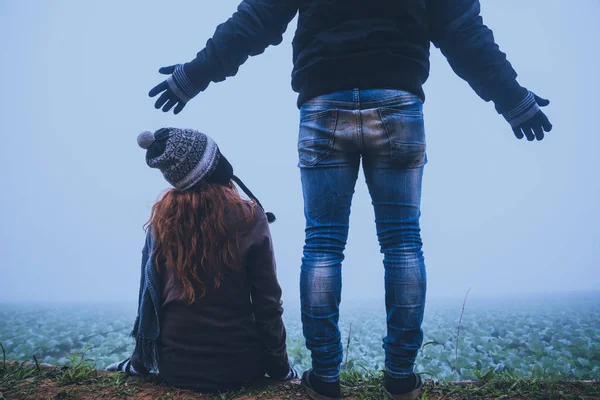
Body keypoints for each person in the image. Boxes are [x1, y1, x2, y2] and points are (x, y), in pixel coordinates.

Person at [147, 1, 553, 398]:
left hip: (324, 103)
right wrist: (512, 99)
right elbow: (463, 30)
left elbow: (257, 18)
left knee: (323, 243)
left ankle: (324, 377)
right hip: (398, 101)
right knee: (403, 243)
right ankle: (400, 377)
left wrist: (193, 77)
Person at [107, 127, 297, 392]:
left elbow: (148, 298)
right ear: (215, 166)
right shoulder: (250, 216)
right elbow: (268, 304)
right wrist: (280, 369)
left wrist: (140, 361)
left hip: (175, 367)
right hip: (241, 368)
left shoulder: (162, 221)